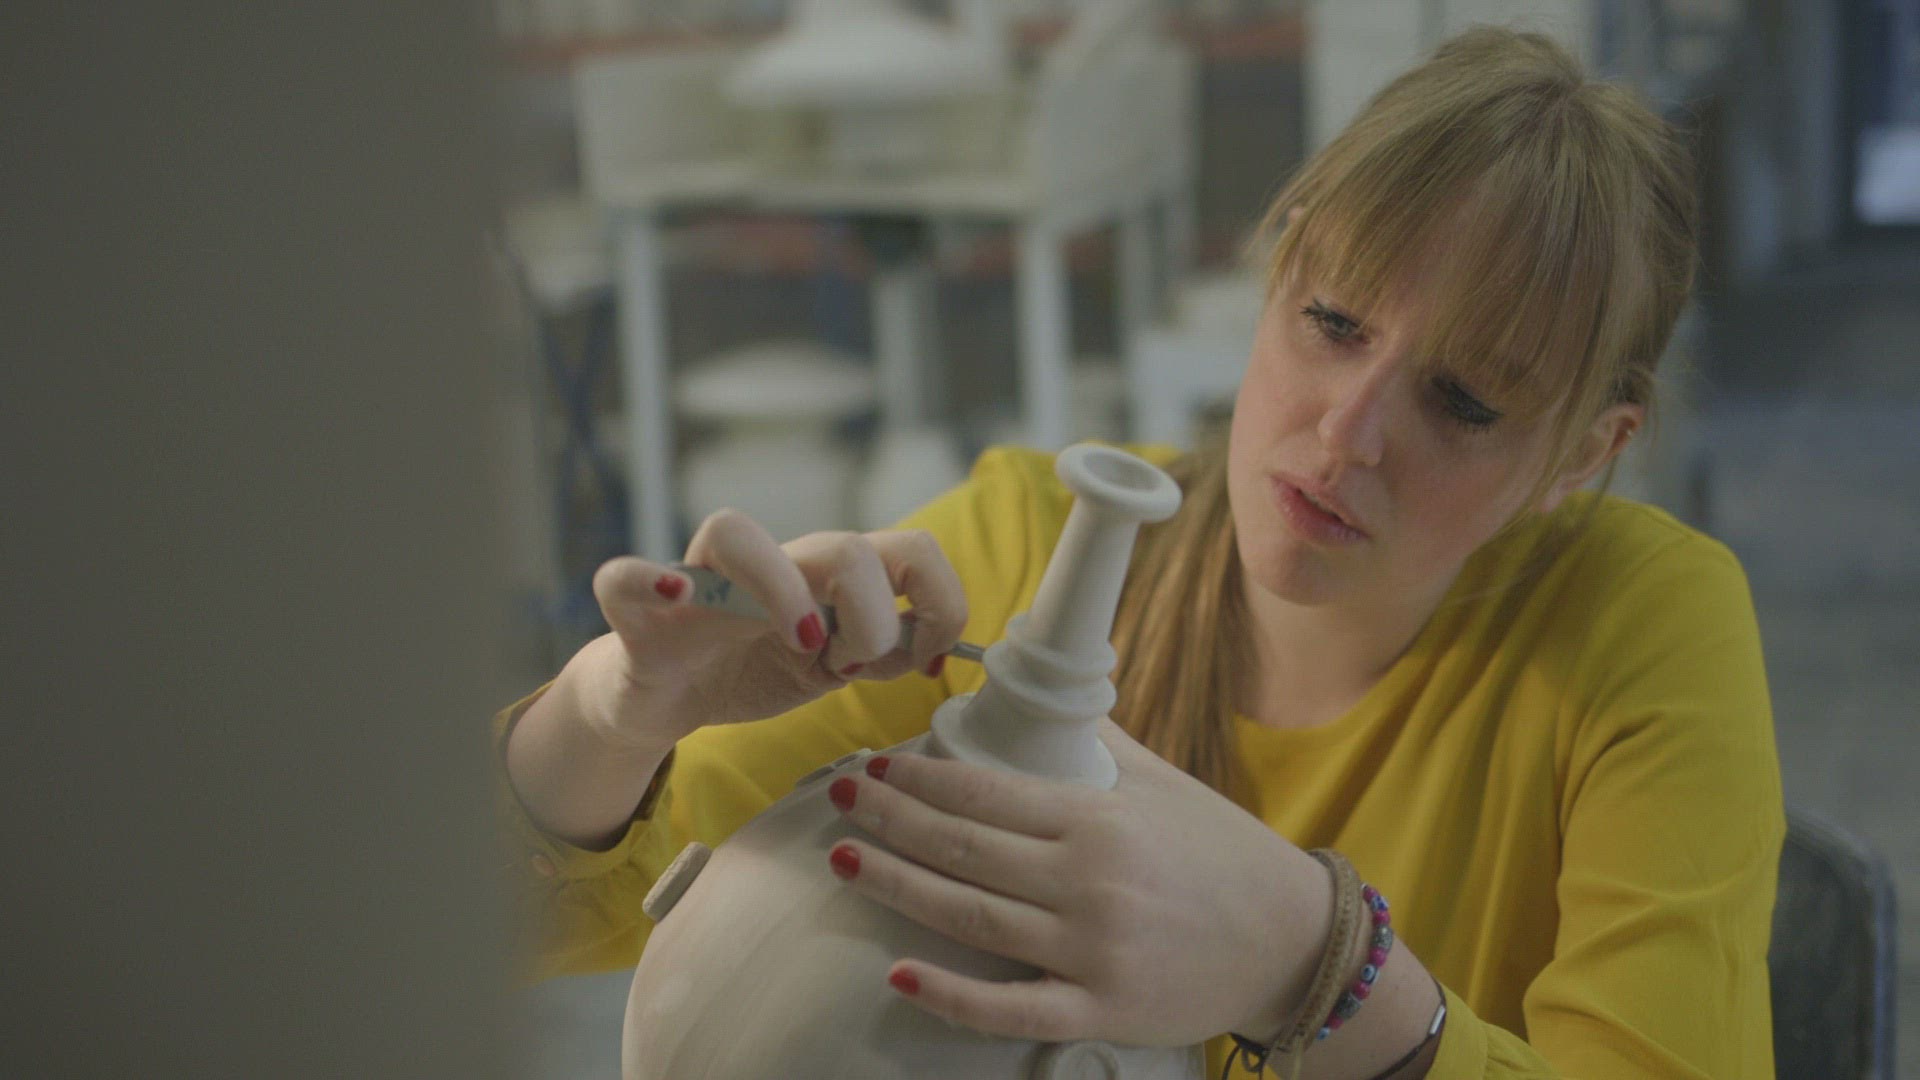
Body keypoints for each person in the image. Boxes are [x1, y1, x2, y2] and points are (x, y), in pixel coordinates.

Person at [496, 27, 1781, 1079]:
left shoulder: (1643, 624)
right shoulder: (1027, 552)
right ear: (1277, 266)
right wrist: (615, 718)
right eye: (1333, 321)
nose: (1348, 435)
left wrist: (1324, 965)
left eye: (1463, 402)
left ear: (1584, 453)